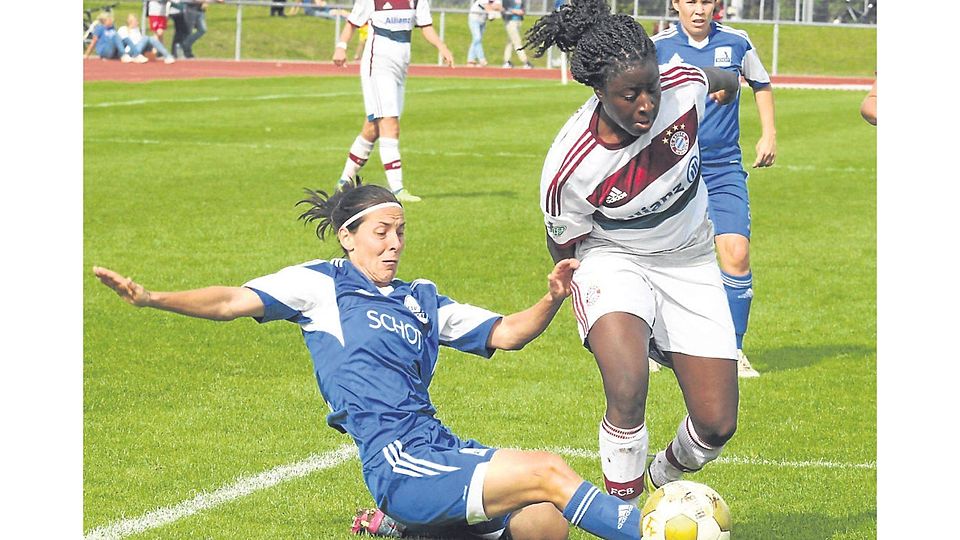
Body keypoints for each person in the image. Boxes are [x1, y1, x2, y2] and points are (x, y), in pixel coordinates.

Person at [92, 179, 652, 540]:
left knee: (544, 523)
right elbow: (230, 301)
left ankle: (413, 533)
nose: (394, 244)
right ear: (347, 238)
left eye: (400, 232)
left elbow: (506, 334)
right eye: (381, 232)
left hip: (440, 446)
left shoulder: (421, 298)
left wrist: (552, 298)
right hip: (397, 461)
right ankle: (655, 533)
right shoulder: (320, 286)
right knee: (548, 470)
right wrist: (152, 298)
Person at [525, 0, 742, 506]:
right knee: (626, 386)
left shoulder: (683, 82)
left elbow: (720, 81)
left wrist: (727, 89)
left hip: (689, 257)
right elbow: (565, 245)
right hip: (613, 257)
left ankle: (660, 483)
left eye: (651, 88)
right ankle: (622, 518)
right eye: (630, 94)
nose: (646, 103)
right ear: (599, 92)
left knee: (716, 424)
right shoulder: (569, 168)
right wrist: (591, 298)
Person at [652, 0, 777, 378]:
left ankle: (734, 349)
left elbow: (761, 83)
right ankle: (654, 342)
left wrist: (768, 133)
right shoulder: (657, 48)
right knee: (658, 255)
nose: (699, 9)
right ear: (676, 4)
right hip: (672, 170)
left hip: (723, 169)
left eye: (706, 1)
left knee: (736, 252)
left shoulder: (737, 42)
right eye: (690, 1)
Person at [332, 0, 455, 203]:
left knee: (373, 128)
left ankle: (344, 181)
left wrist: (442, 47)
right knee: (390, 123)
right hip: (378, 63)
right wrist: (341, 47)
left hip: (401, 66)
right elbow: (352, 22)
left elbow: (426, 25)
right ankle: (397, 189)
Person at [467, 0, 501, 67]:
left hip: (483, 20)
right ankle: (482, 59)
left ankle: (470, 60)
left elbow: (499, 7)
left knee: (476, 40)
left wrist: (493, 9)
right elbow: (487, 7)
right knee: (477, 38)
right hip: (474, 18)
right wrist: (493, 9)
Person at [501, 0, 533, 69]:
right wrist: (515, 11)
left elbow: (523, 8)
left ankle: (506, 61)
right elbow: (505, 8)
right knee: (517, 41)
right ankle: (525, 61)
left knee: (510, 42)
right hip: (510, 21)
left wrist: (522, 11)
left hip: (518, 21)